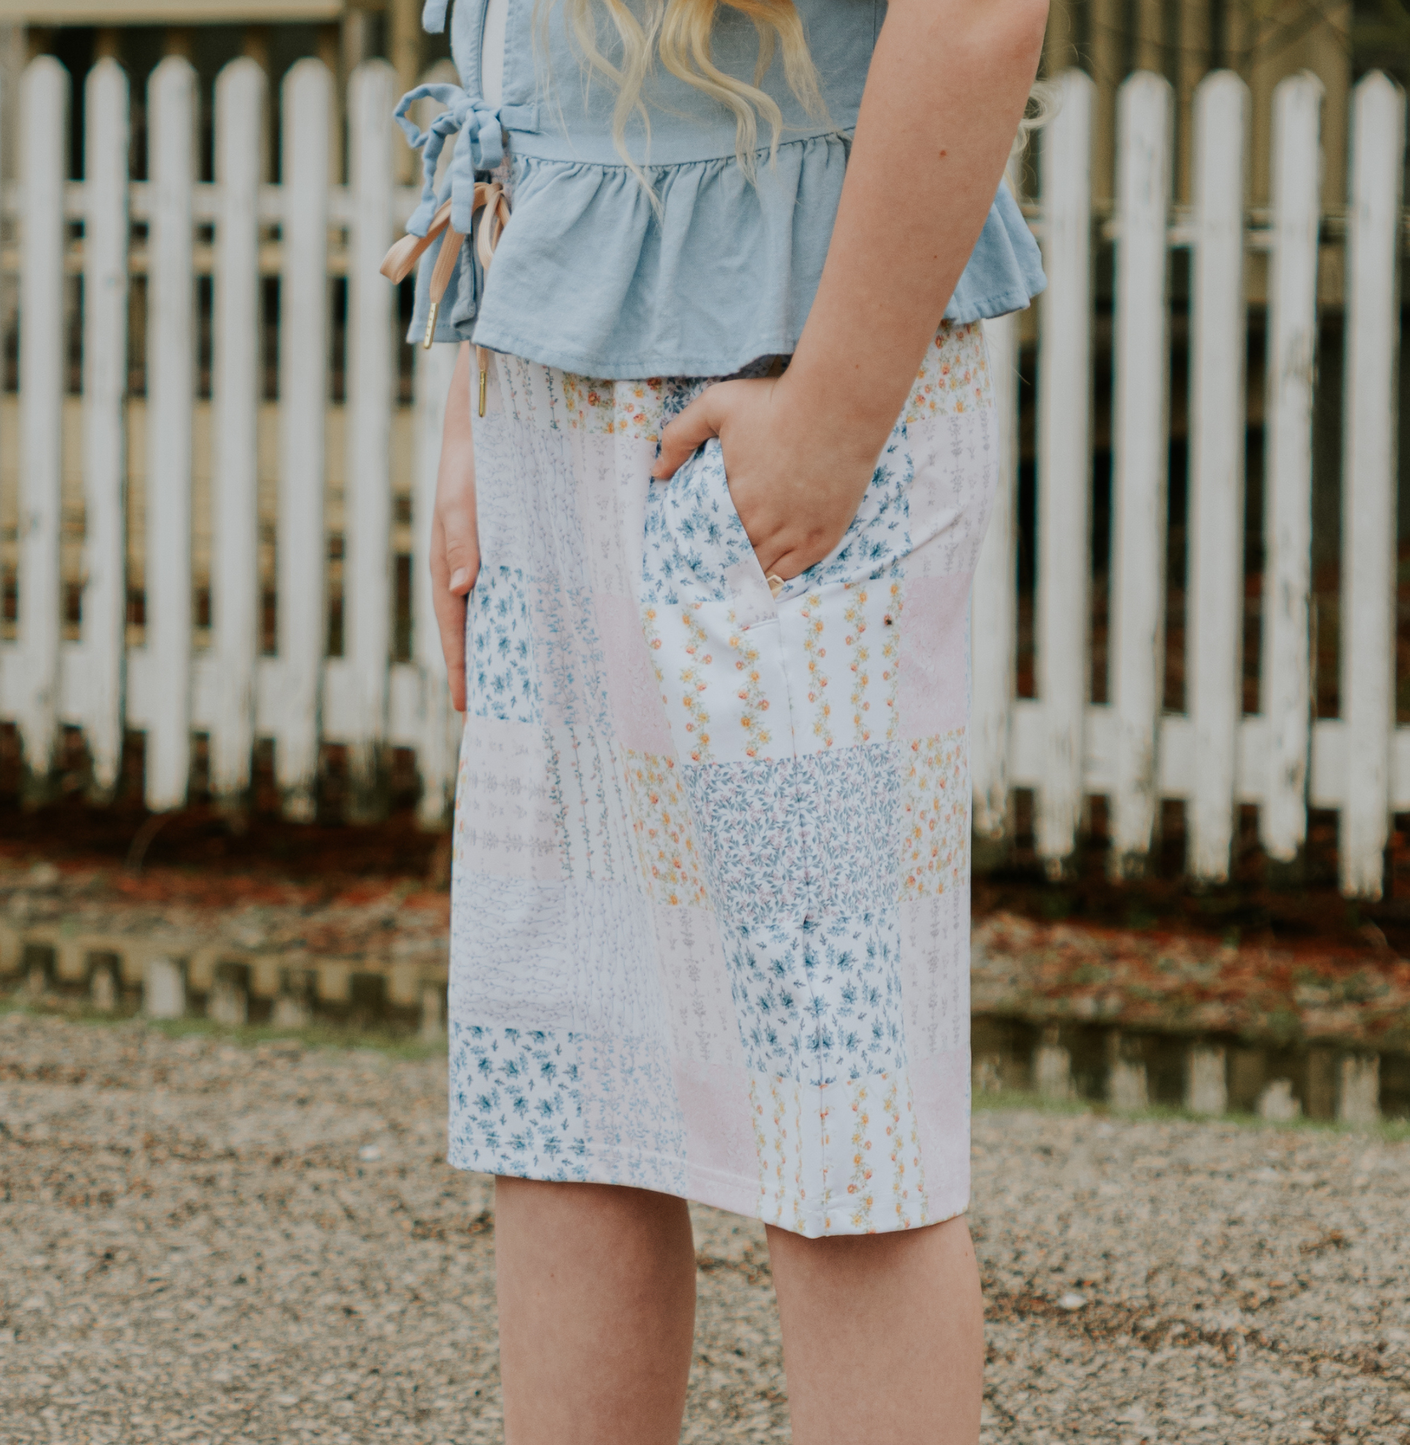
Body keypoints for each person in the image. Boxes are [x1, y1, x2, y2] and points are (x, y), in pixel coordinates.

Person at [394, 0, 1047, 1436]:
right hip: (554, 378)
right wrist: (477, 389)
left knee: (847, 1134)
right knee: (566, 1094)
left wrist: (836, 412)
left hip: (782, 377)